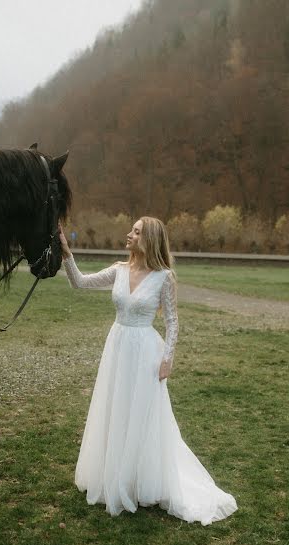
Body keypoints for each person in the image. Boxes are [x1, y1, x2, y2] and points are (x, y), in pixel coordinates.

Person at [59, 216, 238, 525]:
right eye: (132, 230)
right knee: (117, 409)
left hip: (146, 352)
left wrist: (167, 358)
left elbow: (171, 321)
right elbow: (79, 282)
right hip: (117, 347)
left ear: (150, 239)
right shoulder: (119, 270)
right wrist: (65, 252)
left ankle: (142, 479)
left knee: (142, 415)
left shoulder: (163, 277)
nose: (129, 234)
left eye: (136, 231)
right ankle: (115, 475)